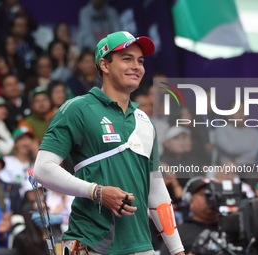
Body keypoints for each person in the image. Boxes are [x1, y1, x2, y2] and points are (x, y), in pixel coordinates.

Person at [34, 31, 185, 255]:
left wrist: (177, 250)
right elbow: (42, 170)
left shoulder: (145, 121)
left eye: (140, 61)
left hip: (141, 246)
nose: (137, 66)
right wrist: (97, 191)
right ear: (104, 64)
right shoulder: (77, 108)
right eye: (127, 58)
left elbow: (157, 192)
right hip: (89, 243)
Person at [159, 176, 219, 255]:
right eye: (205, 194)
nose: (212, 198)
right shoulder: (178, 235)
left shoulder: (234, 225)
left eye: (215, 193)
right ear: (189, 200)